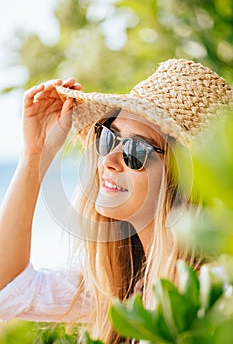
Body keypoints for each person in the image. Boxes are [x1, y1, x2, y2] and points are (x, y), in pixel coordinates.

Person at [0, 59, 232, 343]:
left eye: (135, 150)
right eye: (109, 138)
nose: (108, 160)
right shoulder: (124, 287)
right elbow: (7, 291)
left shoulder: (216, 297)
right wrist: (35, 155)